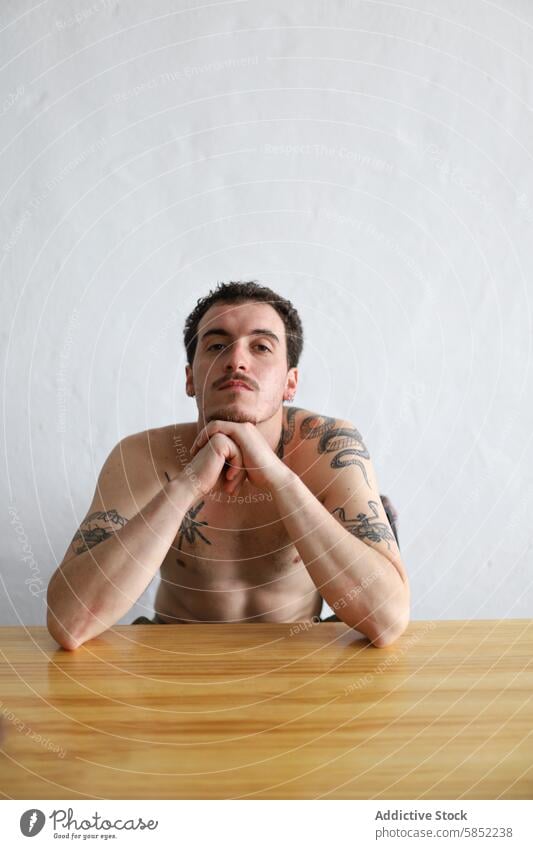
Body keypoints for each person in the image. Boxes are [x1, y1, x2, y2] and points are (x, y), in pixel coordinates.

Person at [47, 281, 409, 650]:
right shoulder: (141, 456)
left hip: (296, 660)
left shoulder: (329, 448)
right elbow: (69, 623)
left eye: (261, 347)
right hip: (174, 661)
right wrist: (188, 484)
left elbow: (387, 619)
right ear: (190, 378)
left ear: (290, 382)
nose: (237, 360)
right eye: (217, 345)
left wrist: (279, 478)